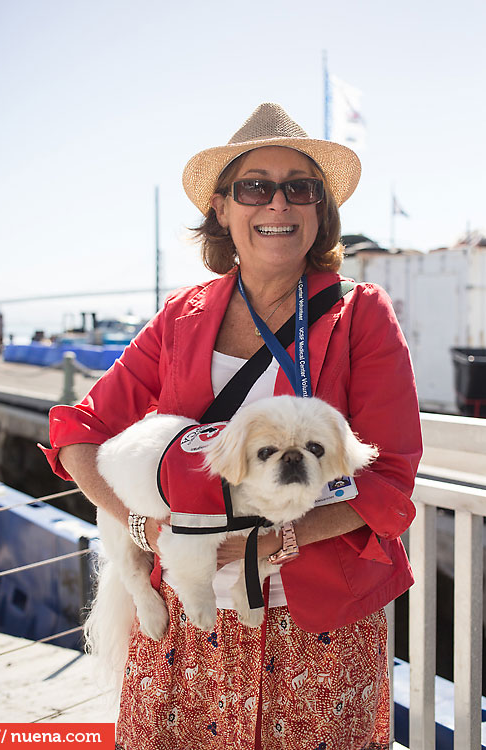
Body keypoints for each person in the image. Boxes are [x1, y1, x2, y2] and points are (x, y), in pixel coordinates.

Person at [42, 102, 422, 750]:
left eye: (298, 187)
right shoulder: (180, 317)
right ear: (222, 207)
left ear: (318, 209)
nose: (277, 204)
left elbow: (388, 480)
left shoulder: (362, 314)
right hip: (187, 626)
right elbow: (80, 429)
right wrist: (142, 527)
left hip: (315, 629)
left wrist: (276, 542)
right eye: (255, 187)